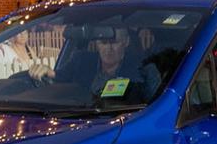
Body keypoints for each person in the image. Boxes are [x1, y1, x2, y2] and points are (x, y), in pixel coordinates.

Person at [29, 27, 161, 102]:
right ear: (97, 44)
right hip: (77, 121)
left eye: (114, 42)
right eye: (103, 43)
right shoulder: (81, 61)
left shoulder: (144, 70)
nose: (108, 48)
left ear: (125, 42)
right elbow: (58, 78)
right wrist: (46, 71)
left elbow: (157, 107)